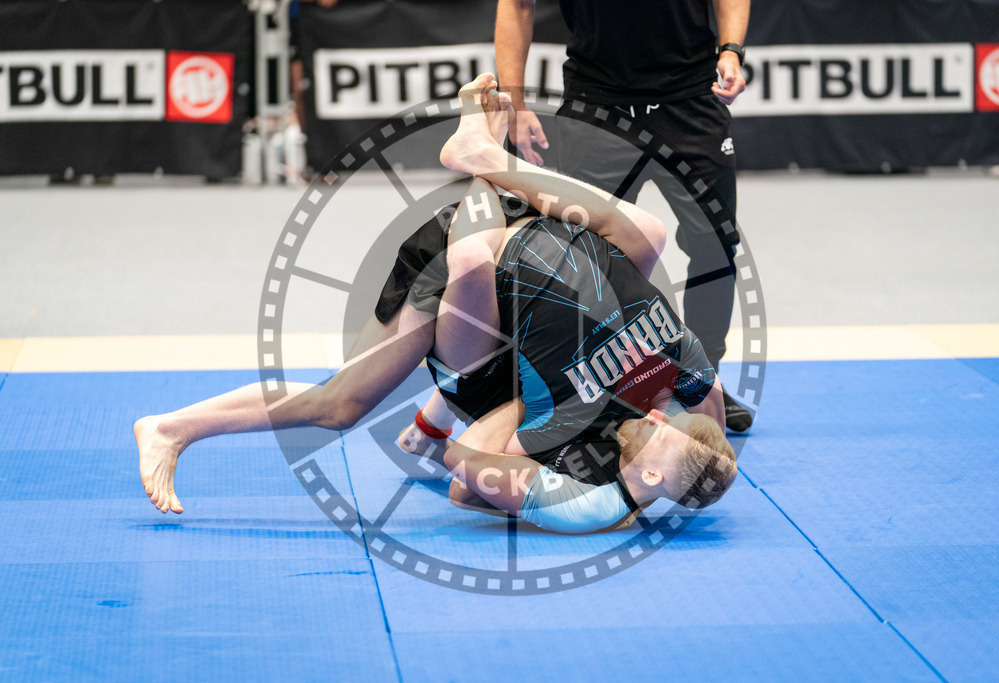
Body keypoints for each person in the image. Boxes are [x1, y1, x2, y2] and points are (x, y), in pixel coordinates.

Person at [135, 75, 736, 533]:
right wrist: (703, 445)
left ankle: (171, 428)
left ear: (651, 475)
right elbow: (706, 420)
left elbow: (469, 482)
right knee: (650, 235)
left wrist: (530, 406)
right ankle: (486, 157)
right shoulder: (682, 379)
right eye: (674, 412)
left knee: (341, 402)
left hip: (473, 278)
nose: (662, 414)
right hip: (544, 258)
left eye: (665, 428)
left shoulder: (590, 477)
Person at [495, 0, 754, 432]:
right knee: (581, 256)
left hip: (690, 100)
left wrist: (731, 50)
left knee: (715, 247)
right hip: (597, 104)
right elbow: (517, 6)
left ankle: (702, 380)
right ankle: (597, 386)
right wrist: (516, 105)